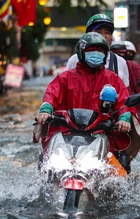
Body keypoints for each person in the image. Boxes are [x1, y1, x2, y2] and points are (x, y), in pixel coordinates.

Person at [35, 32, 133, 173]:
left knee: (120, 172)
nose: (96, 54)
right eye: (91, 50)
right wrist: (45, 110)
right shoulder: (65, 78)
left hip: (100, 133)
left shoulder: (113, 79)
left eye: (100, 51)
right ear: (81, 53)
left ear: (105, 54)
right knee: (45, 164)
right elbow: (51, 95)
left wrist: (124, 119)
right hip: (67, 132)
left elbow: (123, 103)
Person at [65, 13, 130, 88]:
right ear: (88, 35)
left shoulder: (120, 62)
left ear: (111, 38)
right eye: (98, 32)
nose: (103, 36)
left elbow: (124, 93)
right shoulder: (75, 60)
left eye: (107, 33)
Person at [110, 40, 140, 150]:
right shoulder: (106, 66)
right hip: (112, 102)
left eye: (123, 53)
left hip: (131, 100)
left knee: (138, 123)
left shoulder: (132, 65)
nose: (120, 56)